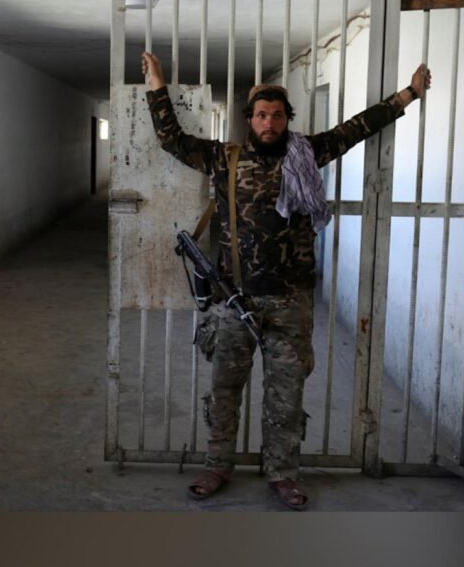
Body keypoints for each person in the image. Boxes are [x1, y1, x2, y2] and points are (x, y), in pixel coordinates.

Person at [141, 51, 431, 510]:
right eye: (261, 115)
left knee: (286, 396)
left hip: (290, 301)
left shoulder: (306, 154)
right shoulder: (224, 158)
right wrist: (157, 83)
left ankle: (282, 474)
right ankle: (217, 464)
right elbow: (170, 139)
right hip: (234, 299)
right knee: (224, 391)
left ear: (286, 118)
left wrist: (409, 94)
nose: (269, 123)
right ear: (249, 119)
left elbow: (357, 128)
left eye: (277, 115)